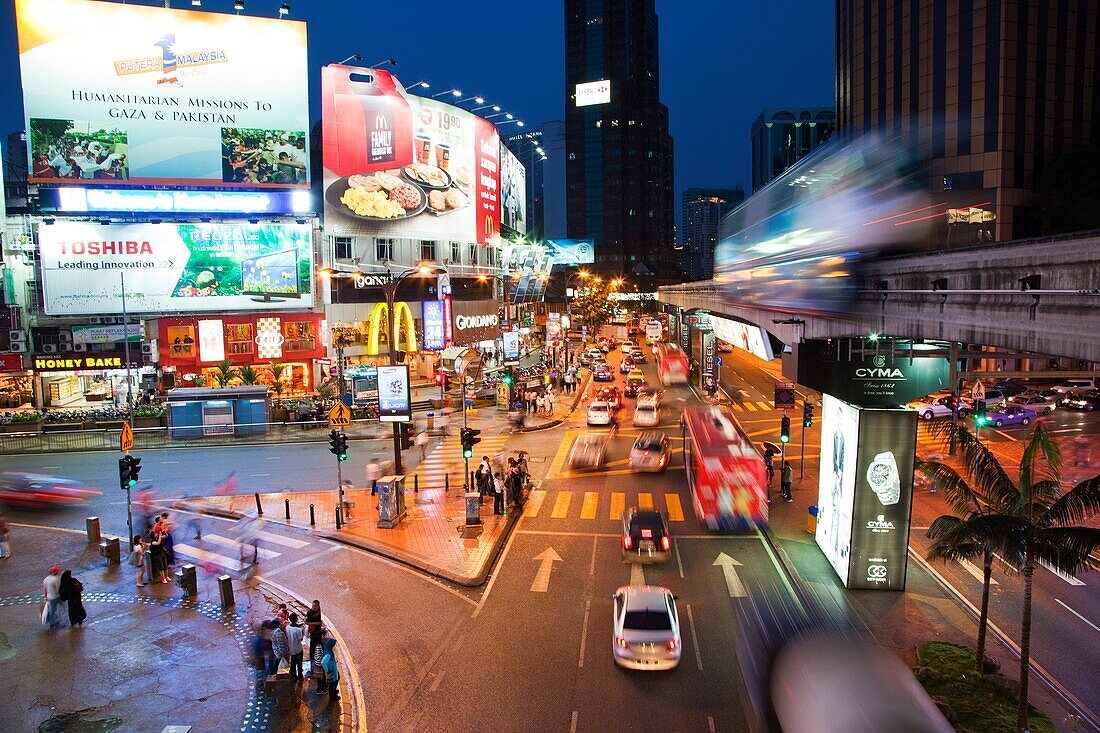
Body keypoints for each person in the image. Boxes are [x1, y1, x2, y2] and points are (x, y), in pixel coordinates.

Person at [286, 612, 305, 681]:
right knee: (299, 664)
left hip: (291, 648)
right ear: (296, 619)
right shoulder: (298, 630)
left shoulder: (287, 627)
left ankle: (293, 676)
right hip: (298, 649)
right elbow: (300, 639)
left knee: (293, 663)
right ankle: (300, 676)